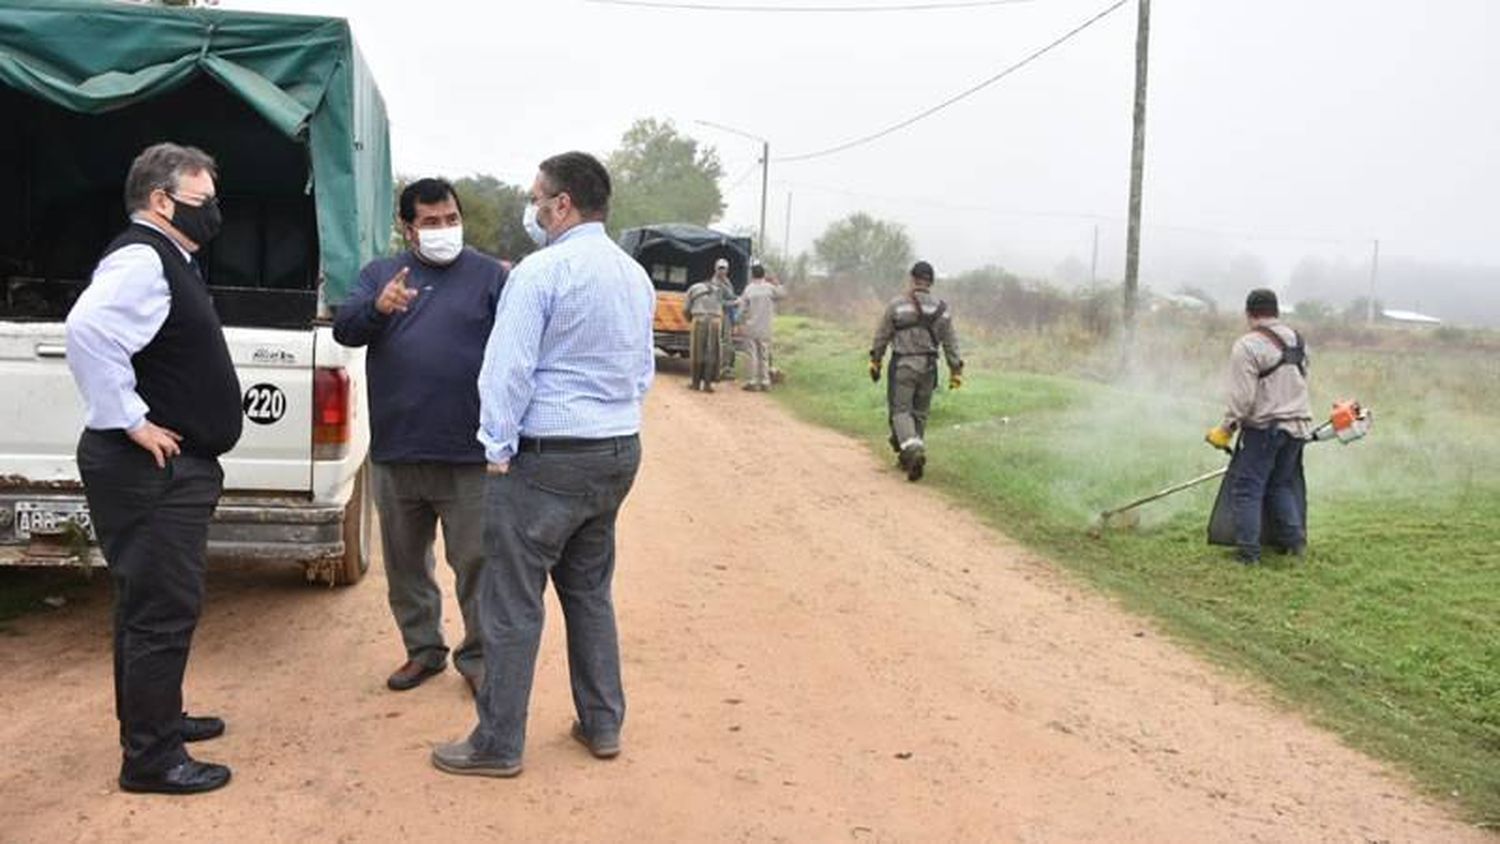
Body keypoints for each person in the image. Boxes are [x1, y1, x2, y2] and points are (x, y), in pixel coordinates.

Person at [431, 151, 655, 778]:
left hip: (547, 458)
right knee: (588, 592)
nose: (532, 210)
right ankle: (603, 721)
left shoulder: (541, 272)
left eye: (536, 199)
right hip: (615, 452)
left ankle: (497, 744)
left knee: (511, 603)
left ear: (562, 205)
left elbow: (506, 369)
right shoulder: (632, 276)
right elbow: (641, 373)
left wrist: (496, 449)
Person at [65, 142, 242, 795]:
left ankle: (158, 718)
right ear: (162, 201)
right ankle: (151, 758)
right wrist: (131, 419)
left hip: (165, 471)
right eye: (204, 201)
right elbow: (87, 331)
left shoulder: (172, 257)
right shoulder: (144, 257)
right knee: (162, 609)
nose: (214, 213)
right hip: (149, 470)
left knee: (151, 604)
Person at [333, 178, 506, 695]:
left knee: (476, 562)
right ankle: (423, 650)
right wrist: (377, 308)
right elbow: (345, 329)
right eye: (430, 222)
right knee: (407, 565)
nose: (443, 229)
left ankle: (478, 659)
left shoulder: (490, 276)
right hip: (398, 450)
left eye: (450, 218)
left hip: (470, 453)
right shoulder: (381, 275)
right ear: (407, 229)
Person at [1205, 288, 1313, 564]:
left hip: (1266, 429)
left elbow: (1242, 398)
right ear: (1275, 311)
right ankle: (1295, 544)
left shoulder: (1248, 345)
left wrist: (1227, 429)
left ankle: (1248, 553)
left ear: (1249, 313)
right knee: (1281, 485)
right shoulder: (1297, 340)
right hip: (1298, 427)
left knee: (1248, 488)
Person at [868, 260, 963, 482]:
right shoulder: (942, 309)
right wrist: (955, 370)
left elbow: (882, 335)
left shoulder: (897, 305)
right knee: (919, 414)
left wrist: (876, 360)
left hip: (904, 365)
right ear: (931, 282)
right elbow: (951, 342)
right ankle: (908, 458)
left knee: (901, 412)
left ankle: (912, 451)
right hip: (929, 368)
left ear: (912, 279)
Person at [735, 262, 785, 391]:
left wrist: (737, 322)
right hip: (766, 326)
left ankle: (752, 381)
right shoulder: (770, 288)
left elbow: (741, 309)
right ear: (764, 274)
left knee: (751, 355)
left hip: (751, 327)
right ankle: (765, 381)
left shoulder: (749, 289)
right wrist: (776, 282)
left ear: (752, 275)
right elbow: (782, 294)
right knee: (764, 354)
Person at [683, 258, 728, 392]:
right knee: (712, 352)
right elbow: (731, 303)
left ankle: (696, 383)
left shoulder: (694, 288)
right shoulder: (722, 289)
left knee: (697, 352)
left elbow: (686, 309)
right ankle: (708, 384)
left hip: (699, 320)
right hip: (715, 322)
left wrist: (690, 319)